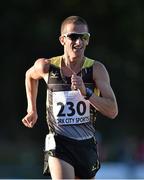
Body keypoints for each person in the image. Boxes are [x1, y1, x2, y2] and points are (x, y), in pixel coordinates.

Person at [22, 15, 118, 179]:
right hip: (59, 142)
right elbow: (29, 76)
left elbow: (112, 111)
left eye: (84, 37)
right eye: (73, 36)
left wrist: (86, 92)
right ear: (62, 40)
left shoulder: (96, 70)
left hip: (86, 143)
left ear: (88, 40)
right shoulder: (47, 66)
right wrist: (32, 108)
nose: (79, 42)